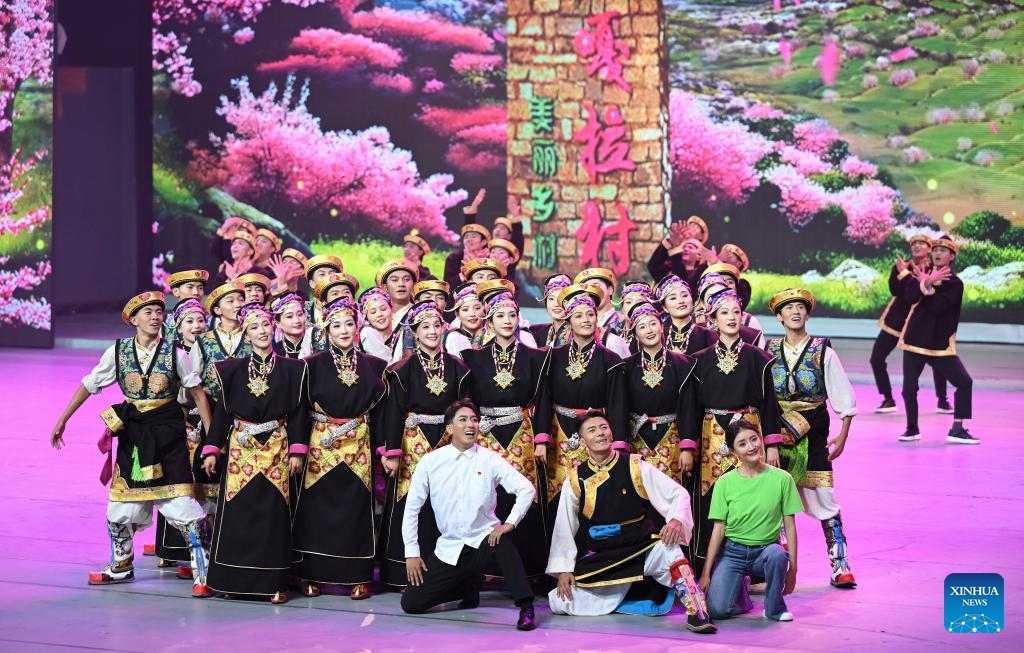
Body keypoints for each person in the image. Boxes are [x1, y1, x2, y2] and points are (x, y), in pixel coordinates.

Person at [50, 292, 213, 597]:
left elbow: (198, 393)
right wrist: (63, 419)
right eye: (148, 312)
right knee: (120, 509)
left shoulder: (175, 353)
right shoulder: (118, 352)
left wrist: (212, 439)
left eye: (158, 312)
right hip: (134, 438)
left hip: (167, 436)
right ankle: (121, 565)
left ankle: (203, 573)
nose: (155, 317)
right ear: (133, 319)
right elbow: (90, 384)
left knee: (182, 504)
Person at [546, 412, 715, 633]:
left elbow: (678, 494)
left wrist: (675, 520)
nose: (600, 433)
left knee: (669, 549)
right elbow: (564, 526)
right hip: (602, 557)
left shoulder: (635, 466)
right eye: (592, 430)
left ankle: (698, 610)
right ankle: (628, 598)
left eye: (603, 427)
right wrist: (563, 570)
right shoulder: (575, 479)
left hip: (639, 547)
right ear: (582, 440)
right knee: (560, 602)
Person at [200, 303, 308, 604]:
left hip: (276, 447)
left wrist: (298, 450)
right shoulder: (231, 370)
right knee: (239, 515)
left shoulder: (293, 369)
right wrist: (212, 449)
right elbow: (222, 413)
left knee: (272, 516)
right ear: (246, 333)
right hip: (241, 451)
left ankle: (274, 583)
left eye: (265, 326)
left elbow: (298, 412)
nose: (262, 332)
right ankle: (234, 581)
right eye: (254, 327)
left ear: (273, 328)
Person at [401, 400, 537, 630]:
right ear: (450, 428)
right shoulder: (431, 462)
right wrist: (411, 553)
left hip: (484, 541)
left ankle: (526, 606)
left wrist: (509, 523)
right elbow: (412, 508)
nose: (471, 425)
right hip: (450, 549)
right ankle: (468, 587)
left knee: (504, 543)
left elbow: (526, 489)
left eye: (474, 419)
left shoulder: (489, 459)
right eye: (463, 420)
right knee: (411, 603)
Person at [679, 290, 783, 575]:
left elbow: (769, 403)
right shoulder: (698, 360)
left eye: (736, 312)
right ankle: (707, 567)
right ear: (712, 319)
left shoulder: (757, 358)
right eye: (724, 313)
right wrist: (687, 446)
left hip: (749, 431)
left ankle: (756, 568)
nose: (731, 318)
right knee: (710, 499)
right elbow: (691, 406)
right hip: (712, 433)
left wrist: (772, 443)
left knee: (753, 497)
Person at [292, 299, 387, 600]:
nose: (344, 330)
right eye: (337, 325)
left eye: (349, 324)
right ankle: (311, 575)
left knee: (356, 509)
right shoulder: (310, 365)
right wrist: (298, 447)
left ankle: (358, 576)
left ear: (358, 327)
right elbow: (299, 409)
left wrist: (385, 450)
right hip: (322, 444)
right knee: (317, 510)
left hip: (359, 444)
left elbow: (383, 411)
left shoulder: (375, 366)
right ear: (326, 329)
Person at [766, 289, 857, 588]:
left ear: (807, 314)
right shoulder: (768, 349)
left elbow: (841, 393)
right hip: (778, 434)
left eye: (800, 308)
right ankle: (776, 566)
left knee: (825, 497)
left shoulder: (823, 351)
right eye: (788, 308)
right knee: (774, 500)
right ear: (779, 316)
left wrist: (843, 435)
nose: (795, 312)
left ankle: (840, 563)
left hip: (813, 434)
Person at [378, 300, 470, 588]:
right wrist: (392, 452)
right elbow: (392, 411)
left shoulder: (458, 367)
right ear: (414, 332)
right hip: (411, 440)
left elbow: (465, 409)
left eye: (436, 325)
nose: (432, 331)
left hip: (446, 441)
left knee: (445, 504)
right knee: (409, 502)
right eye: (424, 327)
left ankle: (442, 571)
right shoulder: (401, 369)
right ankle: (399, 572)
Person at [461, 288, 552, 575]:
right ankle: (486, 567)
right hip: (486, 433)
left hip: (521, 432)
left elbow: (543, 400)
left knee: (524, 495)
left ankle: (529, 567)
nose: (507, 320)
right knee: (485, 495)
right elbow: (467, 400)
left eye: (512, 315)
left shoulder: (536, 357)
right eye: (500, 315)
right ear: (489, 320)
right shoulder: (472, 358)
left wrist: (541, 439)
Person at [701, 420, 802, 622]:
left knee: (777, 554)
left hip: (765, 551)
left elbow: (790, 526)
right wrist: (706, 573)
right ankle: (742, 595)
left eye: (754, 439)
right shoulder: (724, 483)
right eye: (742, 443)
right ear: (733, 452)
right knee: (718, 610)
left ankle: (774, 608)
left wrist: (793, 570)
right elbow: (718, 530)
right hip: (733, 553)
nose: (752, 446)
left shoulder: (782, 479)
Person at [543, 284, 628, 509]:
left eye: (590, 314)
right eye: (578, 315)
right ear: (569, 321)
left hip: (596, 434)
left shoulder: (610, 360)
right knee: (558, 498)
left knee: (595, 496)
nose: (586, 320)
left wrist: (618, 442)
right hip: (560, 431)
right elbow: (544, 398)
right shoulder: (553, 357)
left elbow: (618, 405)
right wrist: (542, 437)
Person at [150, 298, 213, 576]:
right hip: (178, 426)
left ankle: (205, 553)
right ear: (178, 326)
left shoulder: (209, 351)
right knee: (177, 490)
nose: (196, 326)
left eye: (200, 320)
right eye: (190, 321)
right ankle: (174, 551)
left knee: (206, 489)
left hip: (206, 422)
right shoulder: (169, 354)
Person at [898, 236, 977, 444]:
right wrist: (924, 282)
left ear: (951, 257)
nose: (938, 253)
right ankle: (912, 429)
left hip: (939, 345)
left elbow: (937, 308)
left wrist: (930, 286)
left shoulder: (955, 284)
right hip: (915, 341)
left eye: (944, 251)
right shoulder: (922, 273)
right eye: (936, 250)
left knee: (964, 382)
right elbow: (910, 298)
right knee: (908, 389)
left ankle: (957, 429)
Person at [871, 234, 949, 413]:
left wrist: (906, 275)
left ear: (929, 249)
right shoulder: (901, 266)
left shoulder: (933, 269)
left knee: (937, 360)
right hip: (896, 321)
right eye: (914, 243)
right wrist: (900, 273)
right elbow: (896, 291)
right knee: (876, 358)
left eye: (921, 243)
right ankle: (888, 399)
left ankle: (942, 400)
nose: (916, 246)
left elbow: (918, 295)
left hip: (919, 325)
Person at [622, 300, 695, 480]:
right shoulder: (626, 367)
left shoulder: (684, 364)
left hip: (672, 438)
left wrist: (686, 447)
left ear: (662, 327)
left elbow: (688, 408)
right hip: (637, 439)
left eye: (653, 323)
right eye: (642, 327)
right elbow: (621, 408)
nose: (649, 330)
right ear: (635, 334)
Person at [655, 274, 713, 356]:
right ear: (665, 307)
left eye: (685, 295)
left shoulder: (707, 334)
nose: (681, 301)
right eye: (673, 298)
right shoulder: (659, 337)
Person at [647, 216, 709, 291]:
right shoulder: (671, 262)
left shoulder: (702, 270)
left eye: (696, 227)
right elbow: (653, 267)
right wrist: (671, 242)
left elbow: (682, 282)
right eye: (691, 225)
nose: (686, 249)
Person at [309, 273, 353, 353]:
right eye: (335, 293)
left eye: (346, 292)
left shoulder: (366, 329)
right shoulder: (314, 332)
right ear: (324, 302)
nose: (341, 296)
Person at [574, 267, 625, 336]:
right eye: (586, 288)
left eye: (595, 286)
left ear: (610, 290)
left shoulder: (625, 323)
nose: (591, 292)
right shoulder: (577, 326)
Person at [443, 219, 490, 290]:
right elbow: (447, 285)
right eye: (466, 237)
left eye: (473, 236)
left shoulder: (490, 259)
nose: (469, 240)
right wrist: (465, 272)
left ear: (483, 242)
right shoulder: (453, 258)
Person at [528, 274, 572, 349]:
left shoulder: (578, 333)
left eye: (561, 299)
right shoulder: (536, 332)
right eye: (551, 299)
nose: (556, 304)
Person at [443, 282, 486, 359]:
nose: (472, 314)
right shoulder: (453, 338)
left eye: (477, 308)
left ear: (484, 310)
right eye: (465, 310)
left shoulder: (493, 336)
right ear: (457, 314)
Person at [357, 287, 397, 361]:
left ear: (391, 309)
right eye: (373, 312)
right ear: (366, 317)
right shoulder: (367, 333)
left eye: (383, 309)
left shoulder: (401, 334)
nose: (379, 314)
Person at [270, 293, 311, 359]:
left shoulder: (317, 346)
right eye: (289, 316)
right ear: (278, 323)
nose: (297, 320)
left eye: (300, 314)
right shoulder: (274, 352)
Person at [717, 244, 752, 310]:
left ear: (739, 264)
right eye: (724, 257)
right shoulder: (711, 277)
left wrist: (717, 262)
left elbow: (738, 304)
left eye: (729, 257)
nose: (725, 260)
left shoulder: (743, 285)